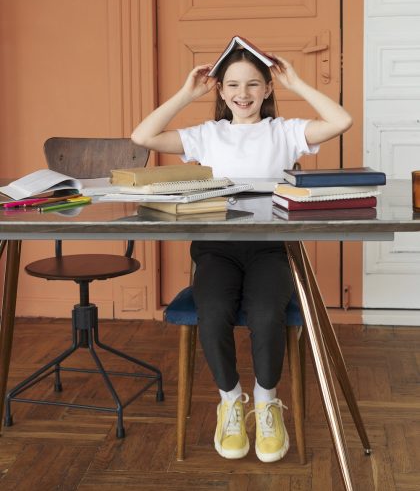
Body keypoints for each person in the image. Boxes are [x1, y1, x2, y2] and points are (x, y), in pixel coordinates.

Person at [131, 46, 352, 463]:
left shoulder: (285, 131)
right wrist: (185, 94)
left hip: (272, 248)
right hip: (217, 250)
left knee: (268, 313)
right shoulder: (207, 133)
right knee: (213, 311)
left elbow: (342, 121)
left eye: (253, 83)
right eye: (232, 84)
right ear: (220, 89)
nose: (243, 93)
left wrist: (297, 83)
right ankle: (231, 401)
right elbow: (142, 137)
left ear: (268, 87)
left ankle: (266, 402)